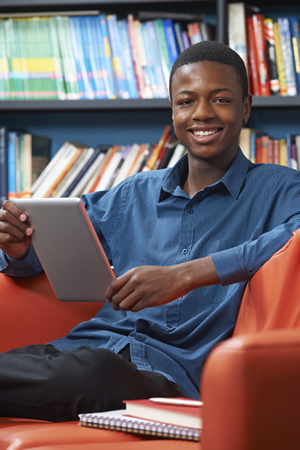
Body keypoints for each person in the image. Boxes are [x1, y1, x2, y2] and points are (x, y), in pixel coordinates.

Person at [1, 41, 300, 422]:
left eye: (221, 100)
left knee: (96, 374)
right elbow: (40, 257)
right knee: (55, 364)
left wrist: (188, 274)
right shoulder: (133, 193)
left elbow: (295, 236)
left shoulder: (278, 188)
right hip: (76, 351)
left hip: (164, 379)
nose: (202, 114)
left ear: (245, 108)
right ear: (173, 111)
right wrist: (19, 249)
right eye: (186, 101)